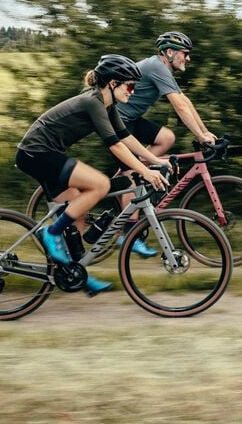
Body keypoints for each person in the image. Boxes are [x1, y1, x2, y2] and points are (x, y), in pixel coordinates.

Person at [15, 54, 170, 296]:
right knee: (99, 185)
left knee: (77, 208)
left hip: (44, 154)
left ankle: (76, 275)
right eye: (129, 85)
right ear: (112, 83)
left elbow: (126, 138)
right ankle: (51, 232)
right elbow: (115, 145)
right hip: (36, 153)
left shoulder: (109, 106)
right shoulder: (93, 103)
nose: (133, 90)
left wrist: (155, 161)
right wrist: (145, 171)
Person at [115, 31, 216, 254]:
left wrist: (205, 131)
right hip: (116, 121)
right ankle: (128, 235)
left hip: (129, 119)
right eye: (185, 53)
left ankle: (131, 171)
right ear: (169, 52)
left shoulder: (161, 69)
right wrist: (200, 137)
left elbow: (184, 102)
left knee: (167, 137)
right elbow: (179, 108)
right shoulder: (157, 67)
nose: (188, 58)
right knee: (134, 173)